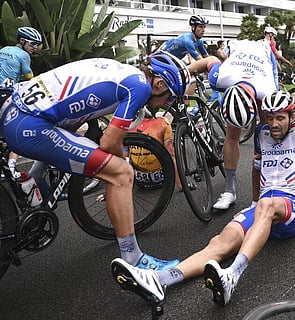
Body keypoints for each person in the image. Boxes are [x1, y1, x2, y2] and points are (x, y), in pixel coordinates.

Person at [110, 90, 295, 307]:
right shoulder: (261, 133)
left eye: (280, 118)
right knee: (219, 243)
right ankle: (161, 281)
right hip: (264, 209)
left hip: (292, 209)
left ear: (291, 116)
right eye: (270, 118)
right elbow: (256, 171)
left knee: (267, 205)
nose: (274, 124)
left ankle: (232, 275)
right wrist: (254, 203)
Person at [0, 51, 190, 272]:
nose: (165, 105)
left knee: (72, 140)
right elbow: (109, 142)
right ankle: (133, 259)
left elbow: (70, 108)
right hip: (29, 125)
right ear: (158, 84)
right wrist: (124, 160)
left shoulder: (118, 70)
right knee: (121, 174)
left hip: (14, 111)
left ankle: (33, 188)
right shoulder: (140, 86)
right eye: (169, 98)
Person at [187, 39, 278, 210]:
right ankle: (230, 190)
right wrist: (183, 71)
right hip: (237, 54)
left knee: (267, 131)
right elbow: (210, 60)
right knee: (232, 135)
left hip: (264, 56)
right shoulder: (220, 78)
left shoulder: (268, 90)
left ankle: (270, 182)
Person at [0, 27, 43, 179]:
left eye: (38, 44)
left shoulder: (4, 49)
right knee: (18, 129)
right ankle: (11, 168)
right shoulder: (24, 55)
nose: (35, 47)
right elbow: (30, 77)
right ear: (22, 41)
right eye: (33, 44)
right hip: (5, 95)